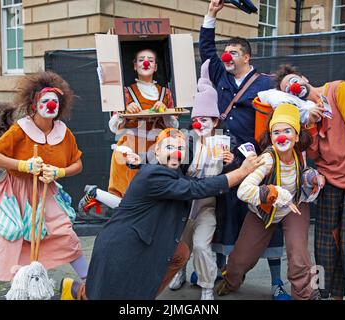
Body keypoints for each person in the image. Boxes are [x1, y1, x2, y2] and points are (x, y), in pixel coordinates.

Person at [60, 128, 264, 300]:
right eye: (169, 147)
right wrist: (241, 172)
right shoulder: (154, 174)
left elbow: (193, 184)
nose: (175, 152)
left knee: (181, 253)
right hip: (122, 249)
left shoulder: (172, 174)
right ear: (156, 152)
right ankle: (76, 290)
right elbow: (197, 189)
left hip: (145, 243)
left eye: (180, 148)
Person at [0, 71, 88, 300]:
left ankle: (92, 284)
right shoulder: (20, 129)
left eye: (55, 101)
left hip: (43, 191)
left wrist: (59, 171)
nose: (51, 105)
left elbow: (77, 163)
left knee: (63, 232)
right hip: (13, 192)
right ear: (34, 104)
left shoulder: (64, 133)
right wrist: (23, 165)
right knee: (4, 239)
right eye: (45, 101)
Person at [199, 0, 287, 299]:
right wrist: (211, 15)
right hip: (225, 158)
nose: (227, 56)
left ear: (247, 57)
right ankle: (216, 275)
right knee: (225, 215)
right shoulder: (221, 76)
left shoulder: (266, 83)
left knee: (265, 214)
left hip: (256, 161)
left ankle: (276, 282)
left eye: (234, 52)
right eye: (228, 52)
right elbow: (208, 50)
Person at [275, 64, 345, 300]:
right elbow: (315, 156)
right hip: (329, 181)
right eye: (287, 89)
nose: (292, 86)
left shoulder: (340, 90)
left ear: (304, 78)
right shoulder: (308, 117)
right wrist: (310, 122)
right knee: (326, 245)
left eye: (293, 80)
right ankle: (332, 295)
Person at [216, 103, 325, 300]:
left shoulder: (298, 153)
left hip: (295, 206)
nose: (281, 136)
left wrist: (312, 178)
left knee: (299, 256)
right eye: (276, 132)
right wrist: (270, 192)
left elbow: (302, 173)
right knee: (241, 258)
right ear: (271, 136)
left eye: (287, 131)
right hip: (265, 210)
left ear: (297, 136)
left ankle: (305, 295)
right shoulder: (267, 159)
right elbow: (244, 190)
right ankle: (231, 280)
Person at [167, 60, 241, 300]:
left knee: (200, 245)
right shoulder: (186, 141)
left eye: (205, 120)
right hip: (184, 204)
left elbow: (242, 170)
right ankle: (179, 273)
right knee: (177, 245)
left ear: (216, 122)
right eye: (196, 119)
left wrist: (232, 162)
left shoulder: (227, 143)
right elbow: (172, 166)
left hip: (208, 206)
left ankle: (208, 286)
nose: (199, 124)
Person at [106, 48, 178, 199]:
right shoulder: (124, 93)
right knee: (129, 193)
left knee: (155, 192)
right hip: (131, 146)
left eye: (150, 60)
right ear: (135, 65)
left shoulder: (166, 93)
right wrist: (123, 113)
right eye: (141, 60)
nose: (146, 63)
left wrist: (166, 112)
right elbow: (113, 127)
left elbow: (174, 127)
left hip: (157, 148)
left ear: (155, 67)